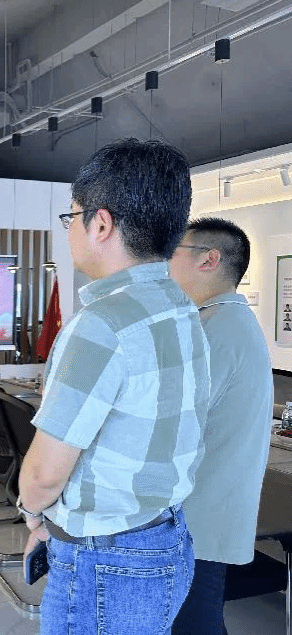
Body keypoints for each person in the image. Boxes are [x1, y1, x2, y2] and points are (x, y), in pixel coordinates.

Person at [17, 139, 210, 635]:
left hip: (105, 560)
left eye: (71, 216)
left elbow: (43, 475)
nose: (69, 230)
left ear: (100, 224)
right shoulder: (181, 307)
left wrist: (33, 515)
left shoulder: (101, 325)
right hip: (167, 538)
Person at [167, 218, 273, 634]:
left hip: (200, 516)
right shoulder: (215, 321)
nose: (165, 262)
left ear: (209, 259)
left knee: (193, 623)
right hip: (200, 512)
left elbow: (171, 419)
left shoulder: (219, 328)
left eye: (174, 252)